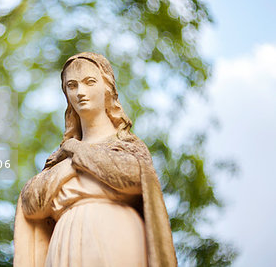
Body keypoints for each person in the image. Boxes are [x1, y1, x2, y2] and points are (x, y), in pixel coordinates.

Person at [14, 52, 177, 267]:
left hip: (116, 235)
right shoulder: (59, 159)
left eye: (89, 82)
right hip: (63, 245)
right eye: (71, 86)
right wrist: (73, 162)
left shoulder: (127, 145)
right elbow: (31, 202)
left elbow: (134, 176)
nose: (80, 92)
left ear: (107, 87)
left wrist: (75, 150)